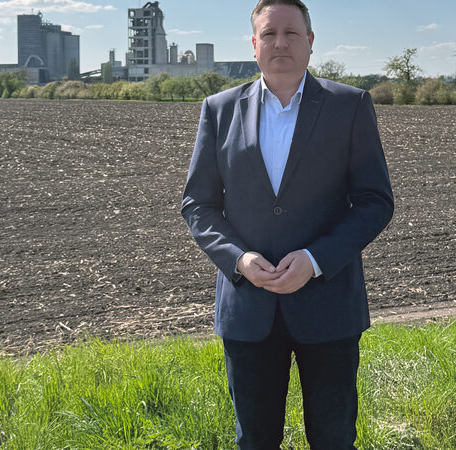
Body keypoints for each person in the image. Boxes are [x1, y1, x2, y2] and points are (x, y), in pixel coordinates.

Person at [181, 0, 393, 447]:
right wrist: (238, 259)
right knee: (255, 440)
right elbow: (199, 205)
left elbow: (375, 201)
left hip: (329, 306)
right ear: (254, 44)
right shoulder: (219, 109)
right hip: (248, 308)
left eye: (291, 33)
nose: (280, 43)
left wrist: (315, 259)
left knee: (334, 439)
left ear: (310, 42)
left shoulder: (349, 105)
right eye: (269, 33)